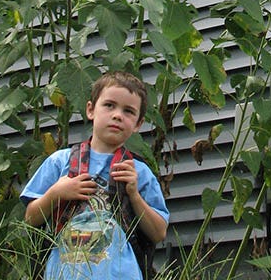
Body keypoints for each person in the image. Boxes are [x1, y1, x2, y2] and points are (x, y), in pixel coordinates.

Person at [21, 70, 169, 280]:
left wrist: (134, 195)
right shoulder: (60, 162)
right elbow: (30, 218)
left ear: (138, 124)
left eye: (128, 111)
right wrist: (56, 193)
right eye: (109, 105)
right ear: (90, 110)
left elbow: (158, 233)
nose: (117, 115)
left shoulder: (138, 171)